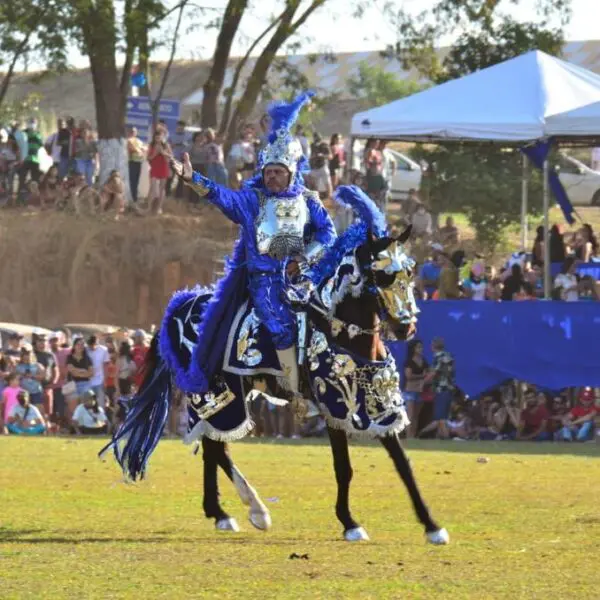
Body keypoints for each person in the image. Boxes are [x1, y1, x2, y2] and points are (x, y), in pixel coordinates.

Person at [171, 91, 336, 397]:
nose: (272, 177)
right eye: (268, 172)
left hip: (304, 278)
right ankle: (293, 387)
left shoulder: (309, 201)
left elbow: (328, 234)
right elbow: (225, 197)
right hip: (264, 280)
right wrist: (195, 180)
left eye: (278, 172)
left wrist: (305, 259)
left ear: (291, 172)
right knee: (278, 323)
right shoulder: (253, 200)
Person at [403, 339, 428, 438]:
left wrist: (425, 376)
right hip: (410, 390)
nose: (421, 349)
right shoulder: (409, 361)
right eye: (418, 347)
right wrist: (422, 376)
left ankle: (412, 436)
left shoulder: (423, 360)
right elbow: (408, 376)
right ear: (413, 348)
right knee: (409, 415)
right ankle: (408, 435)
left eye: (421, 347)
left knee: (416, 416)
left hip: (420, 390)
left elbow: (427, 372)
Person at [65, 337, 94, 415]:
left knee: (86, 409)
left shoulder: (87, 358)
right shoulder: (69, 357)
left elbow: (91, 373)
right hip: (72, 385)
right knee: (74, 411)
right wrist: (84, 371)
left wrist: (77, 371)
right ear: (74, 346)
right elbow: (72, 371)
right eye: (78, 344)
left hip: (85, 384)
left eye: (82, 344)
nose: (80, 346)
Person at [147, 128, 172, 214]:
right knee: (153, 188)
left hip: (163, 168)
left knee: (162, 188)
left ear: (163, 137)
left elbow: (169, 159)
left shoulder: (166, 145)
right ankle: (150, 207)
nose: (158, 139)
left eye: (160, 137)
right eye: (156, 137)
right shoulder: (151, 145)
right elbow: (148, 158)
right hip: (154, 168)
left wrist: (162, 152)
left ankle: (159, 207)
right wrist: (155, 153)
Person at [86, 335, 110, 409]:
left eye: (94, 345)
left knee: (100, 405)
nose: (92, 347)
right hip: (88, 382)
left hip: (100, 381)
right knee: (89, 405)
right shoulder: (85, 350)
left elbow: (106, 365)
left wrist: (105, 380)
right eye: (91, 345)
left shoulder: (104, 350)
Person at [127, 126, 146, 202]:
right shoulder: (128, 140)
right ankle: (130, 198)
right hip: (130, 162)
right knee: (131, 181)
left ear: (136, 133)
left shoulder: (139, 141)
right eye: (131, 131)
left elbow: (145, 149)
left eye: (134, 131)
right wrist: (139, 150)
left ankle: (134, 198)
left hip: (138, 163)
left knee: (136, 181)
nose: (132, 133)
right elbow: (131, 148)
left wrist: (141, 150)